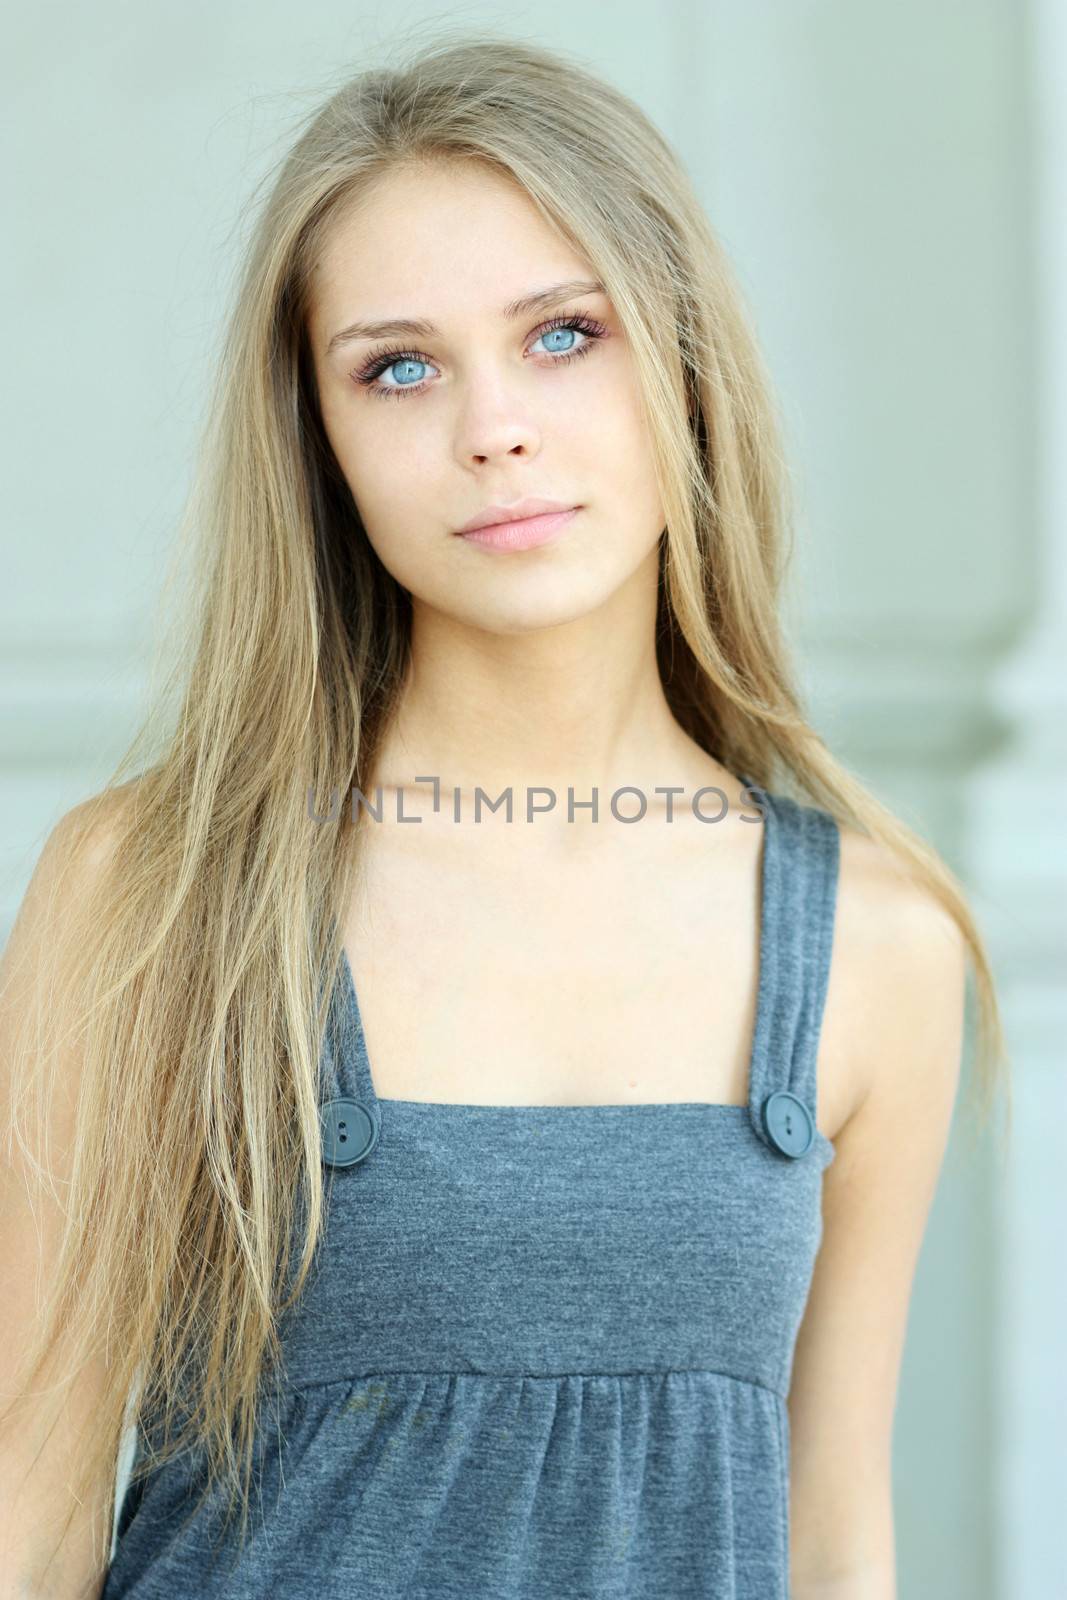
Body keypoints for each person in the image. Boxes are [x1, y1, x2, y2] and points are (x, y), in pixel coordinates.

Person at [0, 29, 1007, 1600]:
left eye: (562, 334)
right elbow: (31, 1510)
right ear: (318, 443)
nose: (493, 430)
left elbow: (828, 1536)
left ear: (680, 358)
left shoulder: (878, 946)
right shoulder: (150, 891)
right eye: (397, 366)